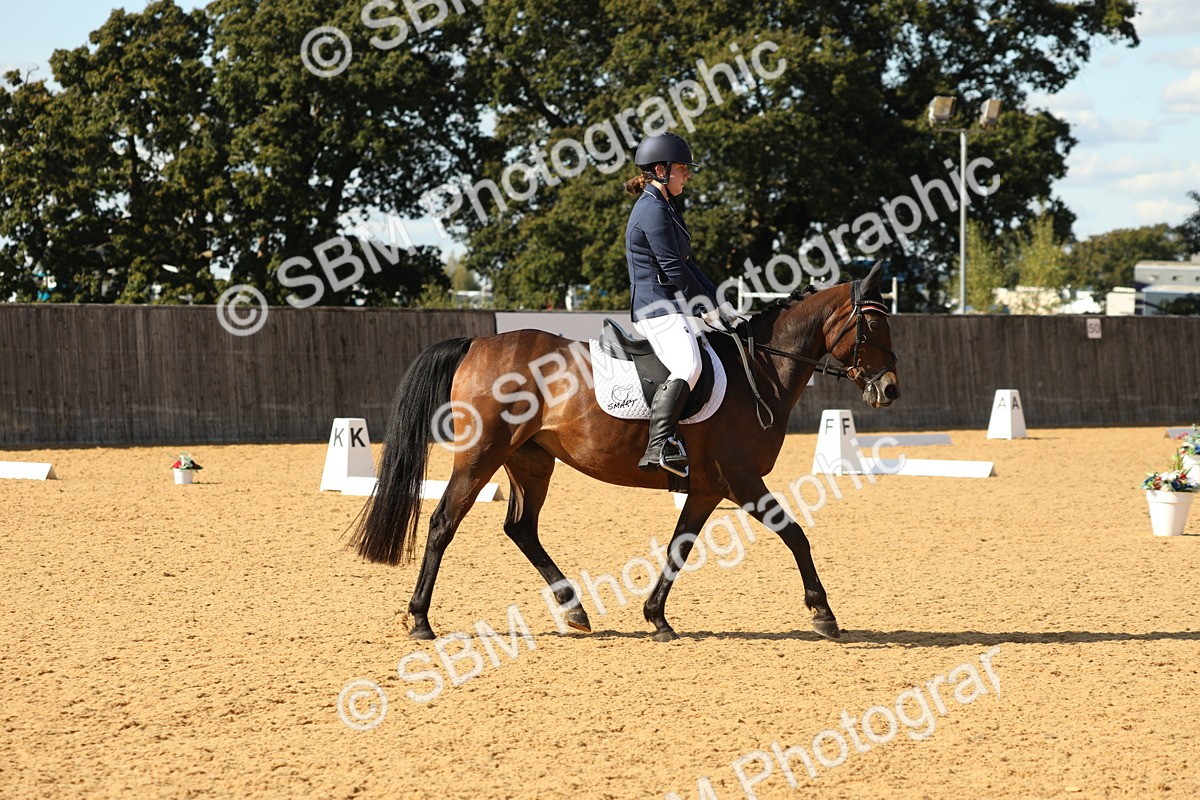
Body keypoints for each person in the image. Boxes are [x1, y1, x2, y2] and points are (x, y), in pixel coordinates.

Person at [624, 131, 747, 476]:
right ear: (661, 170)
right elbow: (672, 267)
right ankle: (659, 444)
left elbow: (688, 262)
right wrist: (702, 306)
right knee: (689, 366)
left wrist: (717, 305)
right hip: (655, 308)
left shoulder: (666, 208)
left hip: (671, 306)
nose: (687, 175)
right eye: (683, 169)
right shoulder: (651, 210)